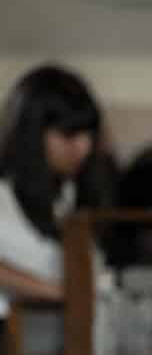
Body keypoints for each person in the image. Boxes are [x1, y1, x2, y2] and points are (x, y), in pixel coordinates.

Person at [0, 65, 112, 315]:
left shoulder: (68, 196)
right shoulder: (4, 196)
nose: (83, 147)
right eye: (68, 134)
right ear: (32, 133)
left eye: (88, 134)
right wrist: (58, 292)